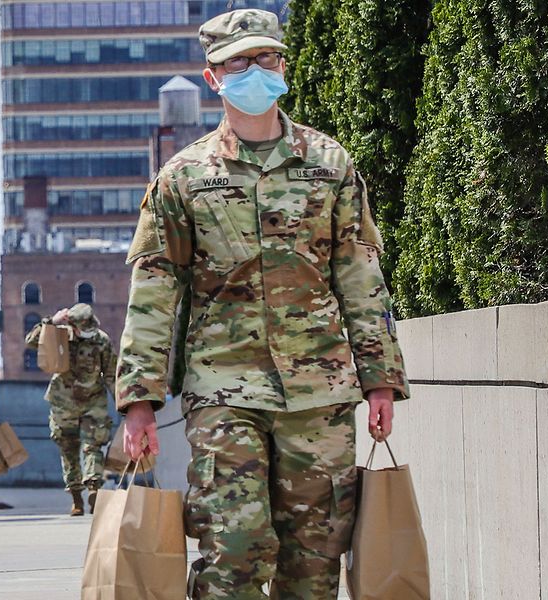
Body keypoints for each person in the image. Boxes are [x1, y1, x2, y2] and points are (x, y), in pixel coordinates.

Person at [115, 10, 410, 599]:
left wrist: (380, 380)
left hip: (321, 390)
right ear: (212, 78)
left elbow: (359, 276)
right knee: (236, 548)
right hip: (223, 387)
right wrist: (138, 401)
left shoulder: (331, 165)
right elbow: (154, 293)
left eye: (266, 58)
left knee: (315, 563)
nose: (255, 71)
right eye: (239, 63)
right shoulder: (183, 177)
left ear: (283, 65)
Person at [24, 303, 115, 516]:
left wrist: (124, 405)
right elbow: (31, 342)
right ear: (71, 324)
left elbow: (111, 372)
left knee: (94, 444)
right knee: (68, 448)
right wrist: (51, 321)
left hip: (93, 401)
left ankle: (94, 489)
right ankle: (76, 498)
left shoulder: (101, 339)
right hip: (63, 402)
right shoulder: (58, 334)